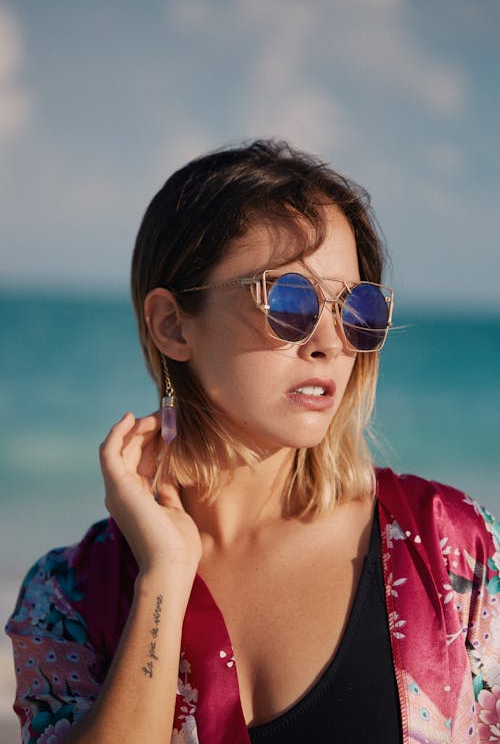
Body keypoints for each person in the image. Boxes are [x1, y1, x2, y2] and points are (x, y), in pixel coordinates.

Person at [5, 140, 499, 744]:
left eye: (355, 308)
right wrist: (163, 577)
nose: (330, 342)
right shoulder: (67, 597)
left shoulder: (452, 549)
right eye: (290, 300)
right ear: (172, 324)